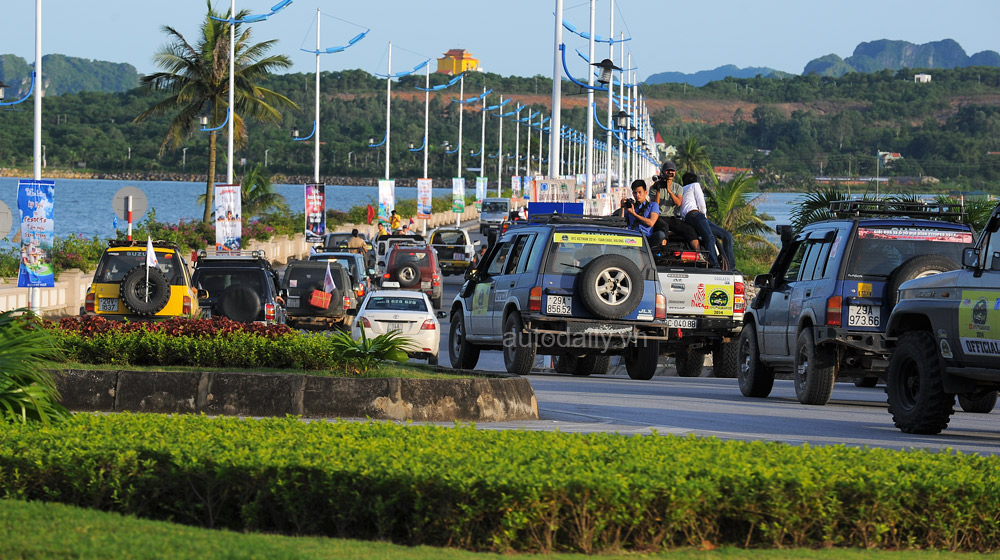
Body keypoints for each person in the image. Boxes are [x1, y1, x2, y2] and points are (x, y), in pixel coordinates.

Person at [679, 172, 735, 270]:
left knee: (726, 236)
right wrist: (704, 215)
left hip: (688, 218)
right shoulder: (695, 185)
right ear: (695, 180)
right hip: (696, 215)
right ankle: (718, 265)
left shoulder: (681, 190)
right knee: (711, 237)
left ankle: (726, 265)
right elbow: (701, 202)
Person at [652, 161, 700, 250]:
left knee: (689, 230)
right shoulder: (654, 187)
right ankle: (663, 251)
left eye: (672, 171)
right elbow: (655, 205)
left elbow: (678, 203)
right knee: (663, 228)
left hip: (672, 217)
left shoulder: (678, 187)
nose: (670, 173)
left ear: (675, 173)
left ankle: (699, 252)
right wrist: (658, 190)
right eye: (667, 171)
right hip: (658, 216)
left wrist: (669, 190)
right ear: (663, 172)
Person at [621, 179, 666, 247]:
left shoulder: (653, 205)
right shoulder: (631, 206)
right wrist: (622, 207)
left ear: (645, 192)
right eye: (635, 193)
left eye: (640, 192)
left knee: (660, 234)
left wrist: (634, 214)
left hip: (646, 238)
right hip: (632, 236)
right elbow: (621, 222)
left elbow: (651, 223)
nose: (637, 195)